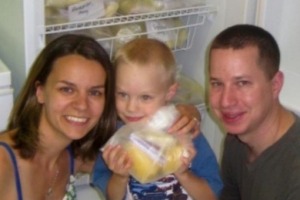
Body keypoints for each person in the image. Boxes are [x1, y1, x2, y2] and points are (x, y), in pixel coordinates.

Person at [92, 38, 223, 200]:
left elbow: (212, 196)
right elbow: (111, 197)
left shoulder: (185, 133)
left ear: (170, 92)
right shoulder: (116, 140)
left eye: (145, 97)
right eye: (122, 94)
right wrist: (119, 177)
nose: (131, 107)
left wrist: (183, 173)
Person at [0, 34, 117, 199]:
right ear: (40, 92)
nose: (82, 105)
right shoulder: (3, 163)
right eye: (67, 89)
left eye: (94, 92)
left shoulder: (74, 157)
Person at [208, 24, 300, 200]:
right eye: (217, 84)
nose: (226, 101)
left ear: (275, 85)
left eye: (242, 83)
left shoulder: (294, 172)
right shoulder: (236, 139)